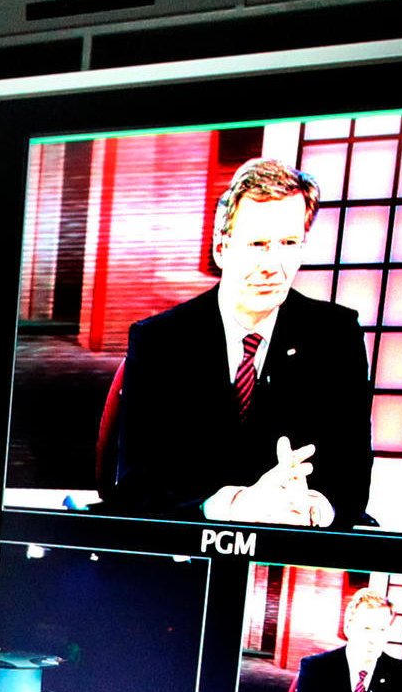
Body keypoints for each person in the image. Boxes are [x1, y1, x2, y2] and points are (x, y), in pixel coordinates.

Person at [95, 159, 374, 529]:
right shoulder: (159, 340)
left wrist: (314, 507)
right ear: (222, 248)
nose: (272, 265)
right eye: (258, 244)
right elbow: (137, 486)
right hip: (191, 545)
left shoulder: (337, 335)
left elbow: (351, 478)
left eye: (288, 243)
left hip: (294, 546)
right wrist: (231, 505)